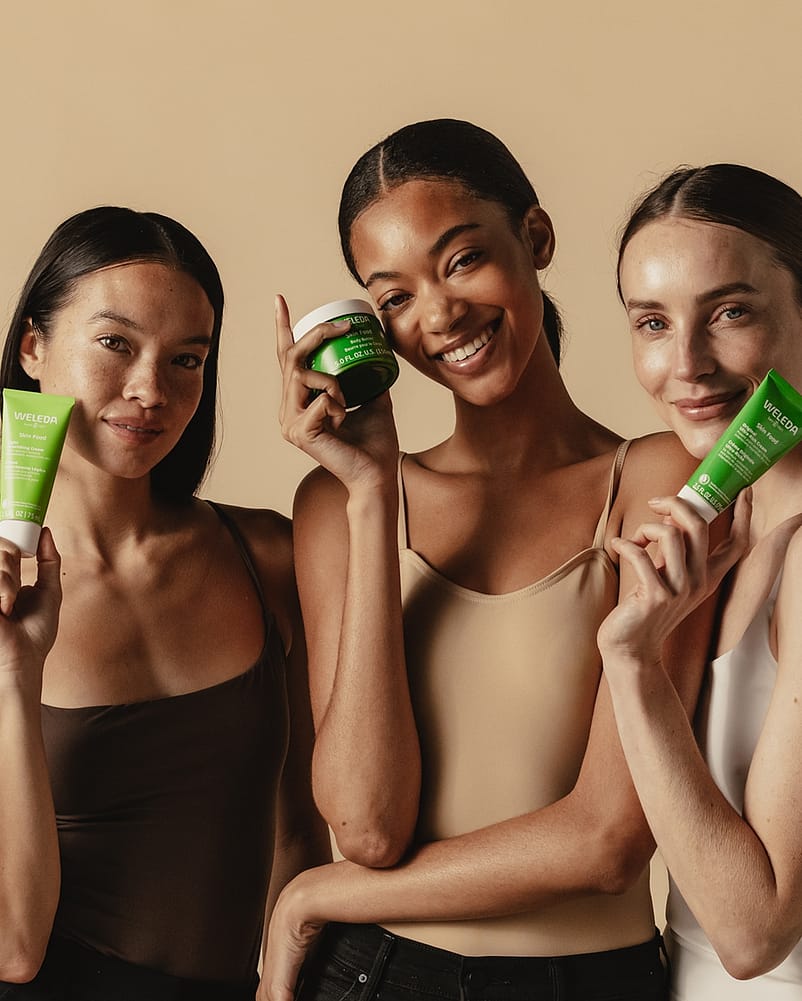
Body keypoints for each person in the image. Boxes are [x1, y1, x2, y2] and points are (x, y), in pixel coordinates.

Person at [267, 119, 717, 1001]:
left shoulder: (660, 477)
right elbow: (366, 824)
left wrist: (312, 897)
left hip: (583, 982)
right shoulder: (337, 506)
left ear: (535, 239)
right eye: (393, 298)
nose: (438, 316)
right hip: (367, 973)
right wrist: (370, 493)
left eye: (462, 259)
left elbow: (609, 842)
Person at [0, 207, 327, 1000]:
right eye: (115, 343)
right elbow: (11, 943)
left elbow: (302, 828)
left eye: (187, 358)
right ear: (34, 347)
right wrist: (14, 671)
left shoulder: (270, 557)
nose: (151, 390)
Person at [597, 164, 802, 1000]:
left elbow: (755, 930)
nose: (686, 363)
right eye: (652, 321)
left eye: (730, 312)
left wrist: (632, 662)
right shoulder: (734, 525)